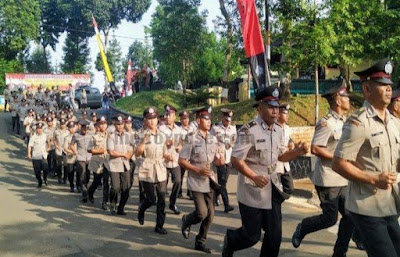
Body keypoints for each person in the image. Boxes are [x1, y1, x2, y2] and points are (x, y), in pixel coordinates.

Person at [222, 85, 309, 257]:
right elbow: (235, 160)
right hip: (251, 191)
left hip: (272, 188)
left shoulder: (278, 130)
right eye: (270, 107)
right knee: (251, 236)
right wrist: (254, 176)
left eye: (277, 107)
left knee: (274, 237)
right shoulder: (248, 130)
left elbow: (281, 156)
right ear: (260, 107)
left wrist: (296, 152)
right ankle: (231, 240)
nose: (275, 111)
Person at [332, 58, 400, 257]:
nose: (388, 89)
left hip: (389, 204)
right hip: (366, 207)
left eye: (389, 85)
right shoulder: (358, 123)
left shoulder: (393, 122)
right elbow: (338, 163)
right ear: (367, 89)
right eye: (381, 85)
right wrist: (373, 179)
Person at [291, 82, 355, 257]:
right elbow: (316, 148)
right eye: (345, 96)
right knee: (329, 218)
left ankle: (339, 253)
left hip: (344, 177)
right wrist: (337, 159)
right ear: (337, 100)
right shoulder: (326, 124)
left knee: (350, 216)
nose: (348, 99)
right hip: (328, 178)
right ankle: (303, 227)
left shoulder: (347, 122)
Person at [179, 105, 221, 253]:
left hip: (209, 180)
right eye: (205, 119)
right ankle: (186, 220)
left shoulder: (213, 138)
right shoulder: (191, 138)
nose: (208, 122)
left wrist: (220, 159)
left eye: (210, 119)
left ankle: (200, 241)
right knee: (201, 213)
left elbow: (216, 160)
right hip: (196, 180)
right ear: (198, 120)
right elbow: (182, 160)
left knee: (210, 216)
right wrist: (198, 170)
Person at [136, 106, 169, 234]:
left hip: (160, 168)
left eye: (154, 118)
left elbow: (164, 151)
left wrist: (168, 156)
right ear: (144, 120)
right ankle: (142, 209)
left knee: (161, 198)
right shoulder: (140, 134)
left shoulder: (162, 135)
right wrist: (144, 141)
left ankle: (159, 225)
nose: (152, 121)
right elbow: (138, 153)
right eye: (149, 119)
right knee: (151, 199)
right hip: (147, 167)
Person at [159, 104, 185, 215]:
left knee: (178, 182)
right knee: (162, 188)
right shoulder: (161, 129)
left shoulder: (179, 130)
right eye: (167, 114)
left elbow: (182, 142)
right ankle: (161, 206)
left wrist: (180, 147)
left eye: (170, 115)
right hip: (163, 162)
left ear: (175, 117)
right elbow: (157, 144)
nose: (168, 116)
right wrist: (166, 144)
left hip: (174, 160)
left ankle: (172, 203)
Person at [211, 108, 236, 213]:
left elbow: (235, 140)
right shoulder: (216, 128)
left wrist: (232, 144)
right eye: (226, 120)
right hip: (220, 158)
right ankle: (226, 205)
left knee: (224, 182)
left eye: (229, 120)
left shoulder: (233, 128)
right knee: (222, 182)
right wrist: (216, 154)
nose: (228, 122)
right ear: (222, 118)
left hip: (229, 158)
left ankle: (214, 196)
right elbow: (211, 141)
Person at [107, 114, 133, 215]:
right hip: (114, 164)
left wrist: (130, 154)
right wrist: (123, 154)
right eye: (118, 124)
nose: (120, 126)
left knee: (126, 187)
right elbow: (111, 151)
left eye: (122, 124)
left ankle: (121, 207)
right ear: (115, 124)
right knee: (115, 187)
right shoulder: (111, 136)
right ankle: (113, 203)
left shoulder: (128, 135)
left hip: (125, 165)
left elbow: (131, 147)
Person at [88, 116, 110, 209]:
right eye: (101, 124)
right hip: (97, 162)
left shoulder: (111, 135)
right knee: (97, 181)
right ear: (98, 125)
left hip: (108, 162)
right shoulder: (94, 137)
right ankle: (90, 192)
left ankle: (104, 202)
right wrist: (100, 151)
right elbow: (89, 149)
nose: (103, 125)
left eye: (105, 123)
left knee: (106, 183)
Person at [70, 120, 93, 202]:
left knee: (88, 176)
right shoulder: (76, 135)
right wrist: (74, 151)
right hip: (80, 158)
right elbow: (71, 145)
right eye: (83, 128)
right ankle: (84, 193)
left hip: (89, 158)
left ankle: (86, 188)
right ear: (81, 128)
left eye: (86, 128)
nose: (84, 130)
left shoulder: (91, 135)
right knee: (82, 175)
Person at [27, 122, 50, 188]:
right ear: (36, 129)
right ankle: (40, 181)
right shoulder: (33, 137)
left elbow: (49, 141)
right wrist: (29, 153)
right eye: (38, 129)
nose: (39, 130)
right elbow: (30, 146)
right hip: (36, 156)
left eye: (40, 128)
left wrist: (48, 147)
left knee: (45, 169)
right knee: (37, 171)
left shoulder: (45, 135)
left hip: (43, 155)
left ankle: (45, 178)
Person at [178, 110, 193, 200]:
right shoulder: (178, 130)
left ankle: (190, 192)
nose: (185, 120)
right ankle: (179, 191)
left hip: (191, 154)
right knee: (181, 174)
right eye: (183, 119)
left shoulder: (192, 129)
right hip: (182, 155)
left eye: (187, 118)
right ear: (180, 120)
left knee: (191, 174)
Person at [54, 118, 69, 184]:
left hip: (66, 150)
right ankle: (59, 177)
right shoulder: (56, 131)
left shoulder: (68, 132)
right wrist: (56, 145)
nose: (62, 125)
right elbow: (53, 139)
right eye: (61, 124)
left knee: (66, 165)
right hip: (59, 149)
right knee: (58, 165)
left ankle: (65, 178)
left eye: (63, 124)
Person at [64, 121, 77, 192]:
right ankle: (72, 185)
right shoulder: (67, 138)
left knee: (79, 172)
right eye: (70, 128)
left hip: (78, 157)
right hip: (70, 157)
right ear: (68, 129)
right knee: (70, 172)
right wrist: (72, 152)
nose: (72, 129)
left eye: (73, 127)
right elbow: (65, 148)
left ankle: (78, 185)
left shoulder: (78, 136)